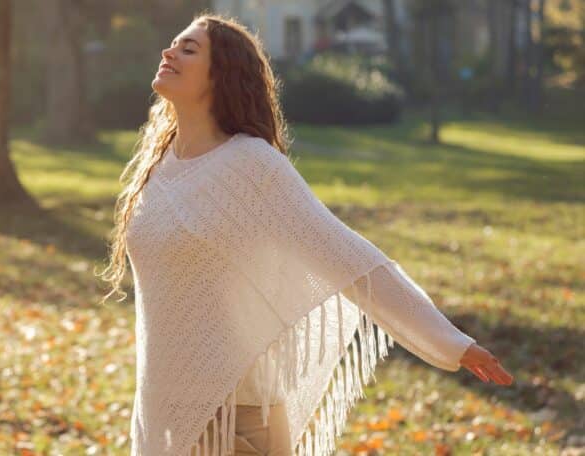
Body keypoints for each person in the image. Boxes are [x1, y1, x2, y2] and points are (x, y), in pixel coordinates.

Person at [97, 12, 513, 456]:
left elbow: (346, 255)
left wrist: (450, 342)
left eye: (188, 48)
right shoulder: (158, 167)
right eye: (174, 43)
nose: (169, 52)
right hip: (160, 413)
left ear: (223, 74)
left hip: (233, 420)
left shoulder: (251, 165)